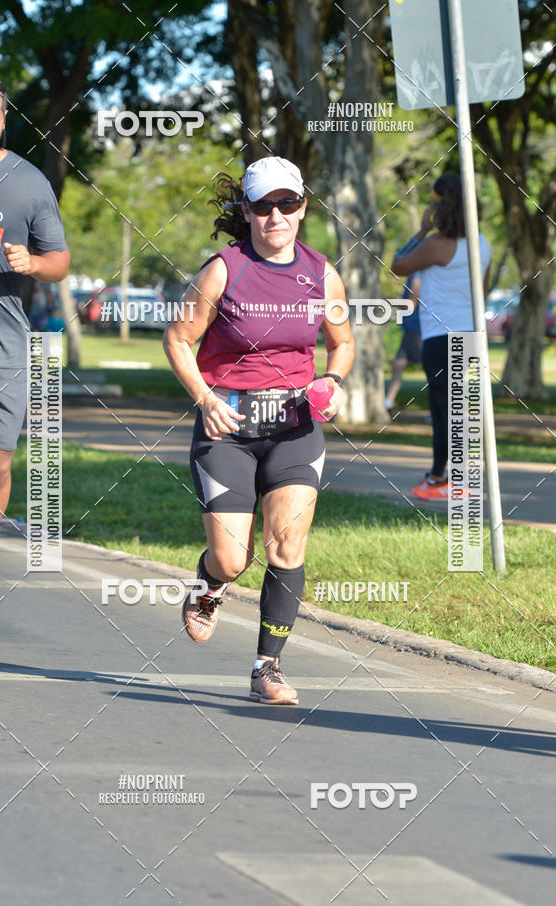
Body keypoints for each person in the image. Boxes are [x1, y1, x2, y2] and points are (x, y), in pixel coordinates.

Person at [164, 156, 354, 704]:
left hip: (295, 427)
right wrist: (204, 399)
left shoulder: (321, 273)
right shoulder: (224, 269)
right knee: (231, 558)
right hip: (228, 424)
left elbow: (341, 342)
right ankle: (210, 585)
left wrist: (334, 381)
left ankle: (266, 666)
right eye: (263, 205)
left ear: (301, 207)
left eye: (287, 204)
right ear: (245, 211)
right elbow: (178, 339)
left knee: (286, 546)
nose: (276, 215)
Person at [0, 71, 70, 630]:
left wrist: (33, 264)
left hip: (2, 340)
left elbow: (60, 260)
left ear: (5, 120)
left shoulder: (28, 182)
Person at [392, 172, 490, 501]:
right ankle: (462, 479)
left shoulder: (437, 244)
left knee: (441, 411)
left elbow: (398, 265)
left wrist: (421, 230)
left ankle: (438, 478)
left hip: (441, 337)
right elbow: (483, 293)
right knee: (462, 410)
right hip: (471, 336)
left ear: (444, 207)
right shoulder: (483, 245)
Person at [384, 272, 421, 412]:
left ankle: (447, 410)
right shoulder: (414, 275)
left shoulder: (417, 275)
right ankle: (388, 402)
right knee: (398, 365)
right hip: (411, 330)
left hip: (418, 331)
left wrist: (389, 302)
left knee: (435, 372)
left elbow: (411, 304)